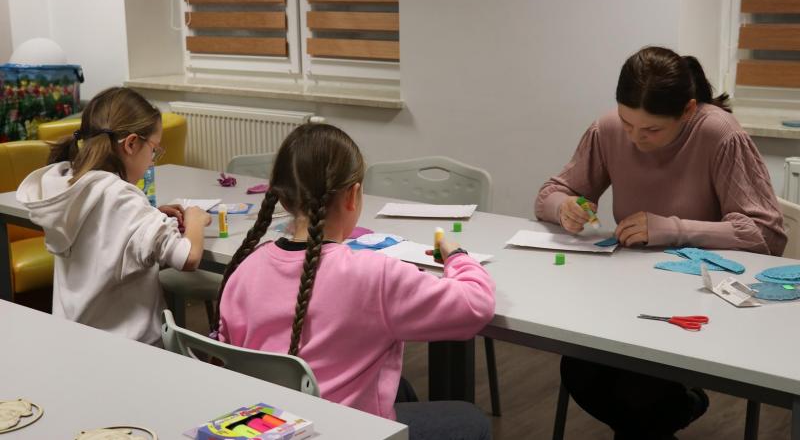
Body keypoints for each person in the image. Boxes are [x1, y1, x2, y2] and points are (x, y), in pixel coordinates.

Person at [535, 46, 786, 439]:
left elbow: (766, 235)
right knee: (580, 369)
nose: (636, 138)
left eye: (652, 130)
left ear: (687, 111)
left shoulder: (719, 133)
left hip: (702, 299)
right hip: (628, 294)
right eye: (627, 123)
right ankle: (677, 409)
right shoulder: (608, 129)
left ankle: (673, 408)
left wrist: (671, 228)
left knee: (638, 391)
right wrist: (564, 207)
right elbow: (550, 194)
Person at [216, 123, 495, 440]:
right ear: (353, 195)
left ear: (282, 198)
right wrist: (457, 255)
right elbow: (476, 305)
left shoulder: (245, 269)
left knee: (401, 388)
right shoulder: (373, 275)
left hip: (266, 426)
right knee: (472, 420)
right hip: (345, 430)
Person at [17, 87, 210, 345]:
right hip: (131, 349)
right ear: (131, 144)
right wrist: (196, 219)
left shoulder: (71, 186)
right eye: (153, 150)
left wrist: (149, 216)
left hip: (76, 341)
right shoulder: (122, 198)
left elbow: (106, 228)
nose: (152, 160)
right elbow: (187, 257)